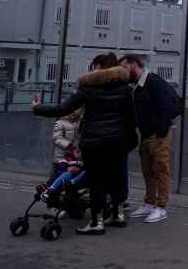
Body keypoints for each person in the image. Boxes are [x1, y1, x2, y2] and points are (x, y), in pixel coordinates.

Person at [33, 53, 138, 235]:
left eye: (94, 65)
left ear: (97, 68)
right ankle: (117, 215)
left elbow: (64, 109)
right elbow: (131, 119)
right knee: (116, 176)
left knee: (96, 181)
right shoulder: (125, 87)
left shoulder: (89, 86)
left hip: (94, 142)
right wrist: (129, 142)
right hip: (117, 141)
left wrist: (37, 107)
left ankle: (96, 223)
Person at [121, 55, 174, 224]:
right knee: (148, 171)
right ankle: (149, 203)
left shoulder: (153, 81)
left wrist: (161, 133)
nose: (123, 71)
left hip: (158, 135)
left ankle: (161, 206)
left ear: (134, 64)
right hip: (145, 134)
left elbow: (165, 107)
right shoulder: (137, 86)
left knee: (161, 170)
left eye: (124, 67)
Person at [50, 108, 83, 183]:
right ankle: (47, 190)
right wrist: (70, 146)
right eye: (71, 110)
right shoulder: (60, 123)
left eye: (76, 110)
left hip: (74, 157)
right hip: (61, 157)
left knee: (70, 178)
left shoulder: (78, 124)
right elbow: (57, 138)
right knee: (57, 177)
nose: (73, 112)